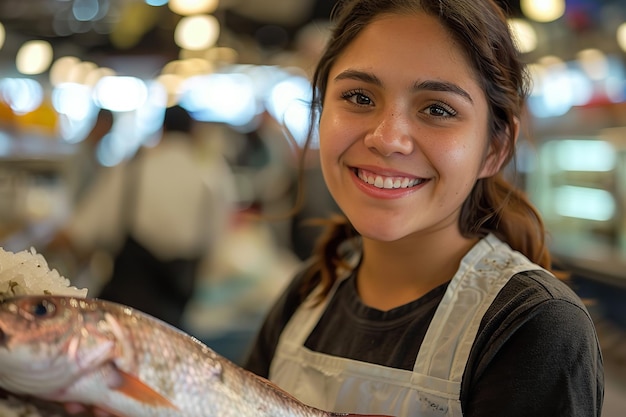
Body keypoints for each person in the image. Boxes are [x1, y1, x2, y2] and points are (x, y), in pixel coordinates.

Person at [242, 1, 604, 417]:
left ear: (495, 148)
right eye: (359, 97)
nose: (388, 138)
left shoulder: (534, 327)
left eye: (437, 109)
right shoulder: (309, 293)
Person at [52, 105, 234, 330]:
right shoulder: (213, 174)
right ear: (193, 132)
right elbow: (217, 242)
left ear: (162, 129)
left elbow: (80, 231)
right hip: (178, 312)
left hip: (123, 315)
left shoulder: (134, 168)